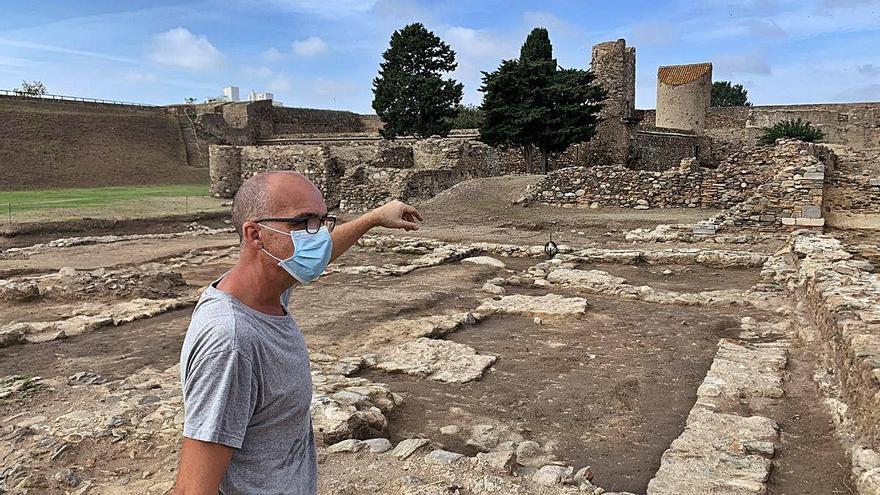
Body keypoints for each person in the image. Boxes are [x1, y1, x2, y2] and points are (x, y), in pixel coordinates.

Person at [172, 171, 423, 495]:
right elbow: (193, 490)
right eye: (304, 222)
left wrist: (374, 218)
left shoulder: (265, 288)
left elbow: (318, 253)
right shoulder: (233, 343)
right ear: (255, 234)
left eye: (320, 221)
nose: (316, 236)